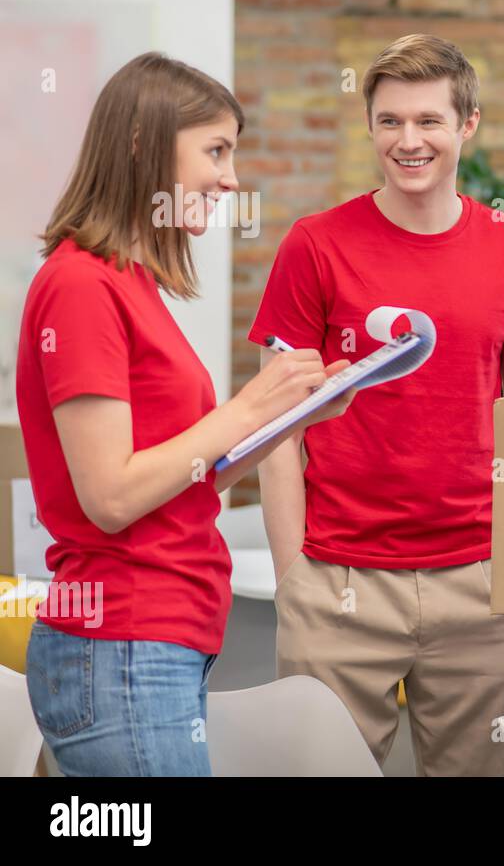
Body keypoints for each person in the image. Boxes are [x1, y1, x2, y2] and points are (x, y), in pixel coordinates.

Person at [16, 52, 351, 776]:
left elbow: (195, 473)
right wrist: (245, 407)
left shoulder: (130, 284)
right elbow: (111, 497)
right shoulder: (79, 285)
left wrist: (297, 414)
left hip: (154, 642)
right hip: (123, 644)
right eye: (217, 151)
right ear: (143, 144)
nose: (232, 178)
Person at [252, 34, 504, 775]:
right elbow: (274, 422)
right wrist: (295, 573)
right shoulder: (316, 245)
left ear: (468, 126)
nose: (409, 140)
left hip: (481, 586)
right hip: (337, 583)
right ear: (369, 127)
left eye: (428, 120)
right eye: (390, 121)